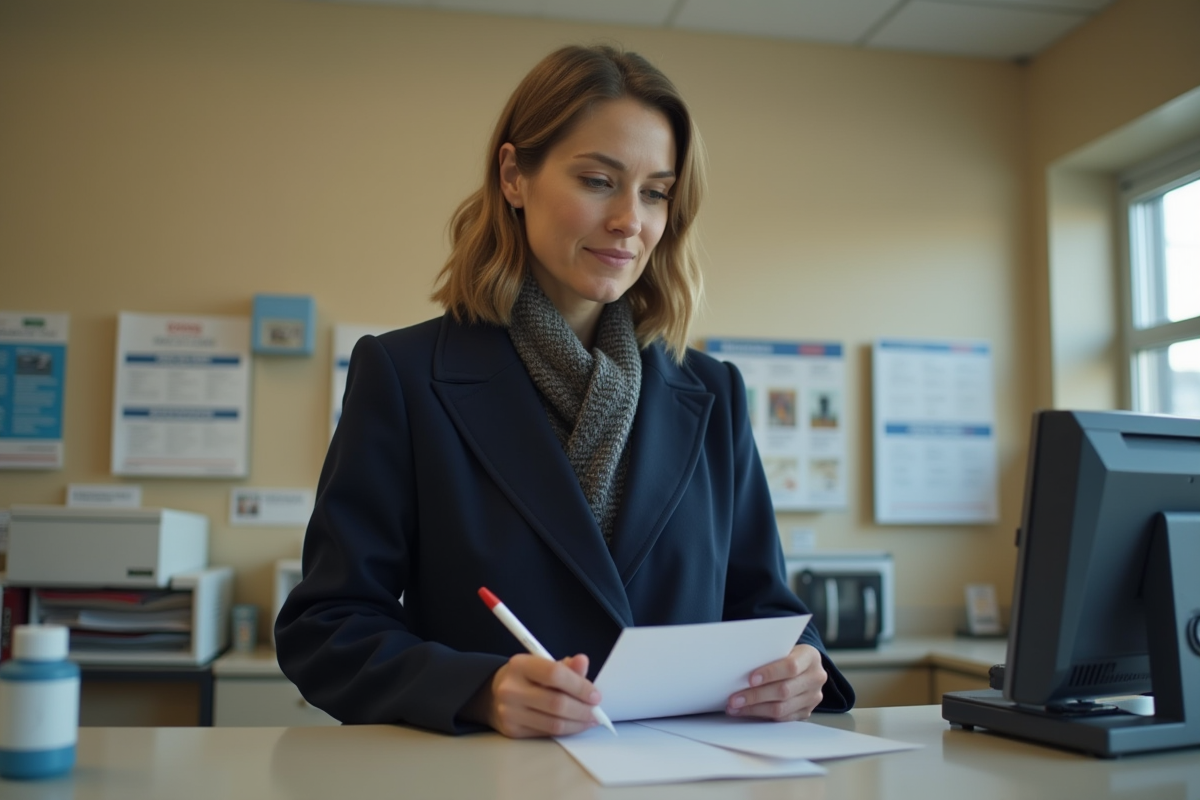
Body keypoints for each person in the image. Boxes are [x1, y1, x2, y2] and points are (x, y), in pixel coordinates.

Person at [275, 44, 855, 738]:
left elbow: (766, 609)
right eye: (598, 180)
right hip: (490, 780)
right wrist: (479, 690)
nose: (630, 222)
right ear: (514, 175)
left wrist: (800, 666)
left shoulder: (713, 391)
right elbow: (327, 625)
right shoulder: (404, 375)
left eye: (655, 192)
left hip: (680, 779)